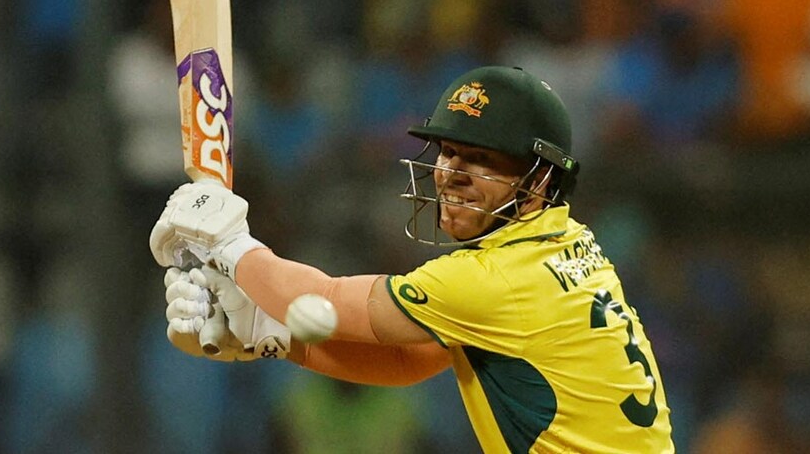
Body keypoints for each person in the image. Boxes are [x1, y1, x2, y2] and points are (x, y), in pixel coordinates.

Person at [151, 66, 674, 453]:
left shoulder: (495, 280)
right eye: (448, 151)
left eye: (481, 159)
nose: (450, 174)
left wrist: (231, 245)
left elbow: (327, 298)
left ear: (538, 180)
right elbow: (407, 361)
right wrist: (270, 334)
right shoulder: (564, 243)